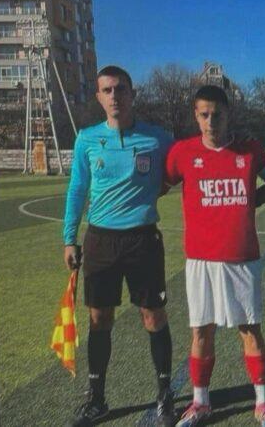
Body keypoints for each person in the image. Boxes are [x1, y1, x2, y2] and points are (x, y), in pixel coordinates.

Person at [165, 85, 265, 427]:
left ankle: (262, 405)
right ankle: (201, 403)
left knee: (250, 329)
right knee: (201, 331)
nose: (210, 121)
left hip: (241, 257)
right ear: (196, 116)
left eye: (217, 114)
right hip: (200, 260)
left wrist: (251, 202)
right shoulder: (182, 152)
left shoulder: (249, 150)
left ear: (228, 114)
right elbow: (159, 184)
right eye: (204, 114)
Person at [62, 66, 175, 426]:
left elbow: (179, 171)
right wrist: (69, 238)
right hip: (100, 241)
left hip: (143, 240)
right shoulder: (87, 139)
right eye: (107, 90)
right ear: (98, 97)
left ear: (132, 93)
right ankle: (97, 399)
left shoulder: (158, 138)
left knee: (153, 316)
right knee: (99, 319)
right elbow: (77, 190)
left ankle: (165, 395)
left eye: (121, 89)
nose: (115, 96)